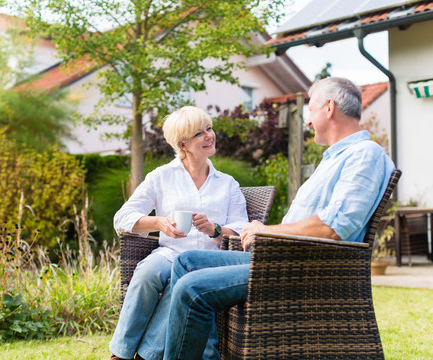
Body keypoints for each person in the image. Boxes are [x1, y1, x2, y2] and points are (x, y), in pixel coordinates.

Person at [163, 77, 396, 360]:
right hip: (281, 256)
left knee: (192, 288)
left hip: (306, 267)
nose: (308, 121)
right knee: (186, 262)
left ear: (329, 108)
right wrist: (266, 232)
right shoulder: (334, 158)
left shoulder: (364, 154)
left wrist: (266, 231)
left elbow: (334, 227)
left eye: (311, 110)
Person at [109, 106, 248, 360]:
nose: (209, 136)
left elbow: (241, 229)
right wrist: (159, 223)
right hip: (169, 252)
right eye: (199, 134)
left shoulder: (227, 183)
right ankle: (120, 353)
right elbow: (123, 217)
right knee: (145, 274)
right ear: (182, 144)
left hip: (208, 260)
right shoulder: (161, 177)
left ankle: (145, 355)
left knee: (178, 282)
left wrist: (215, 229)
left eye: (209, 128)